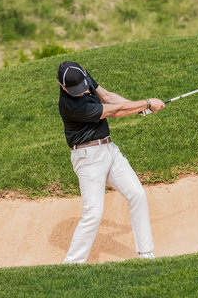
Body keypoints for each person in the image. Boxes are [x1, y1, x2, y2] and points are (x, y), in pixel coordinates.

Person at [56, 60, 164, 264]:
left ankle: (146, 254)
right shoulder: (71, 106)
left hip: (109, 149)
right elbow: (114, 111)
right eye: (74, 90)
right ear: (62, 86)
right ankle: (72, 263)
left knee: (137, 194)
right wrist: (147, 103)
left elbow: (107, 96)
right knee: (93, 213)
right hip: (87, 159)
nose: (80, 92)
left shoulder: (81, 75)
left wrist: (140, 107)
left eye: (81, 87)